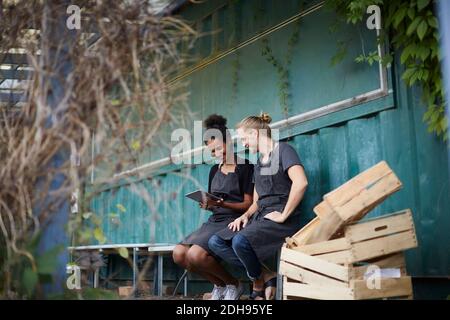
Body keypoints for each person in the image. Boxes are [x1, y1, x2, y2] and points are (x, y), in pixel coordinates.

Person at [208, 112, 308, 300]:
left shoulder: (283, 150)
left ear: (255, 134)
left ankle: (257, 284)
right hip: (260, 215)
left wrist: (284, 215)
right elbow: (256, 201)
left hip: (281, 217)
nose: (244, 144)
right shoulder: (258, 164)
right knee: (217, 241)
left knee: (240, 241)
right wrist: (245, 216)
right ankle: (265, 275)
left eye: (245, 138)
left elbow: (301, 183)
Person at [172, 114, 254, 300]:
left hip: (233, 221)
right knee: (179, 253)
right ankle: (219, 285)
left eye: (219, 148)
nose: (217, 154)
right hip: (215, 219)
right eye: (213, 152)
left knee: (196, 255)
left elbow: (248, 205)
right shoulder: (214, 170)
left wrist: (222, 204)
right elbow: (215, 199)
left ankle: (233, 284)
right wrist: (208, 204)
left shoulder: (245, 167)